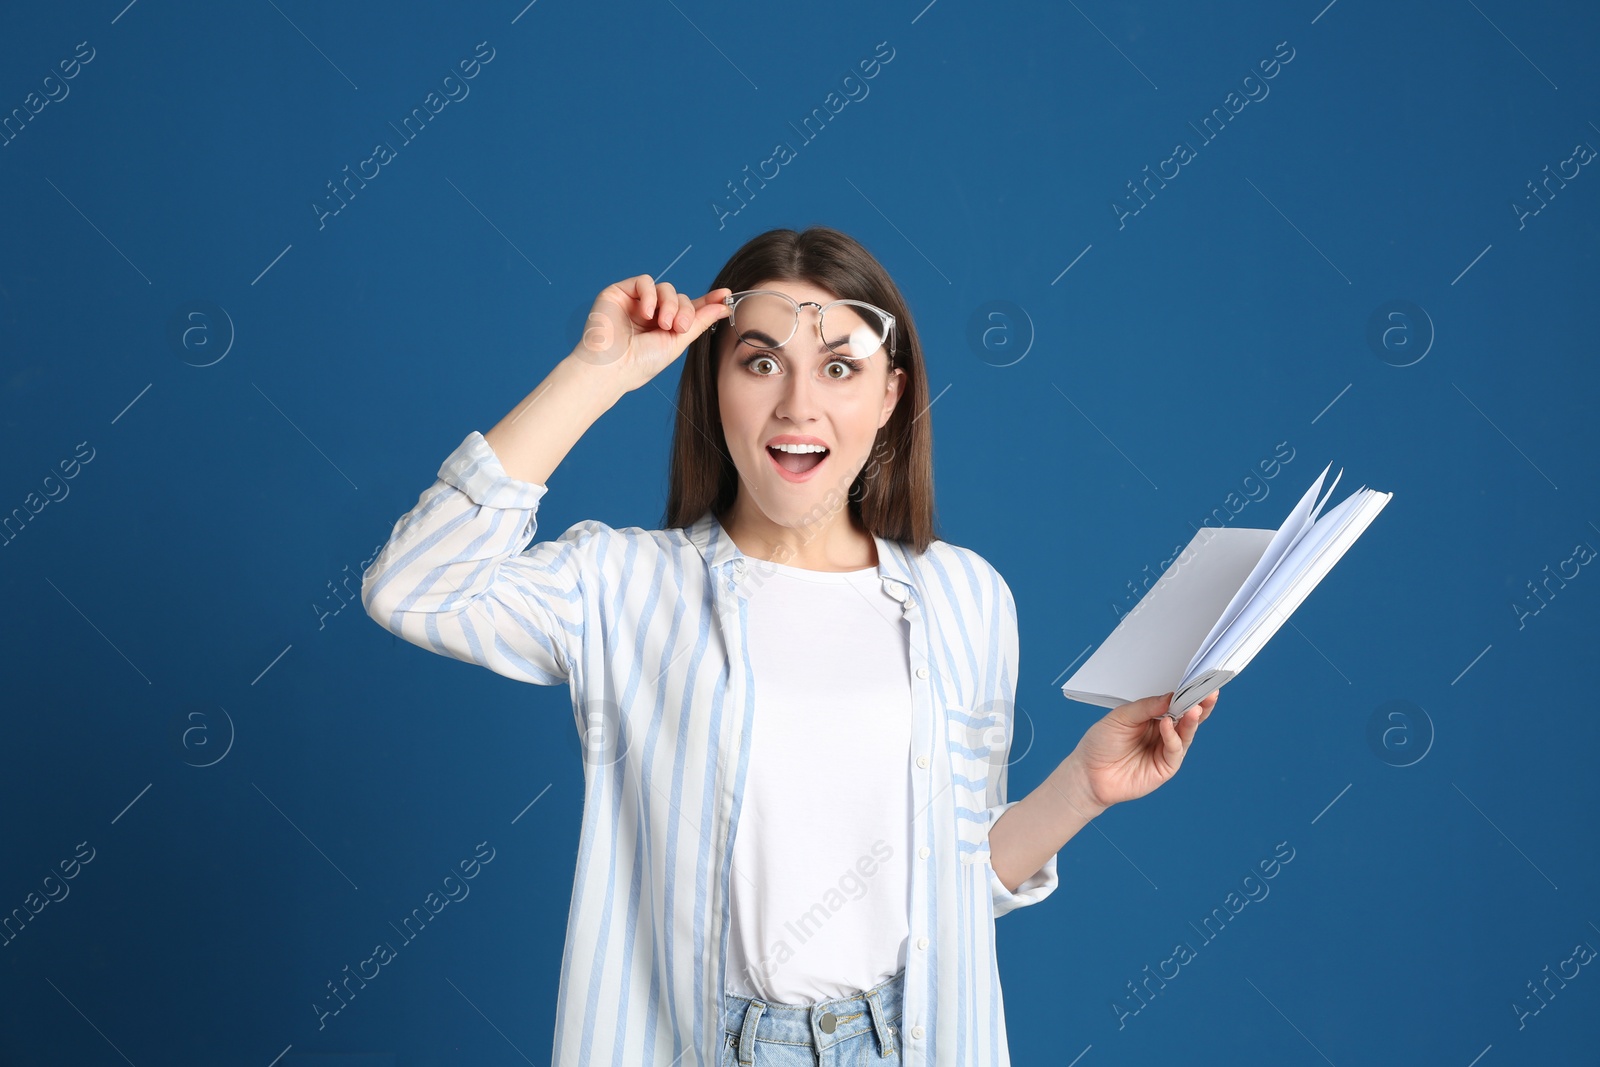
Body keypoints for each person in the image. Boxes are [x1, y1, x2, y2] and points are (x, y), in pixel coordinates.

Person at [361, 226, 1217, 1067]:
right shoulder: (622, 585)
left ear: (889, 396)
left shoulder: (967, 597)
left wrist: (1083, 788)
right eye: (761, 361)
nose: (797, 404)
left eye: (839, 367)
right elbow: (414, 586)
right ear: (712, 383)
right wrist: (596, 375)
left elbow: (958, 884)